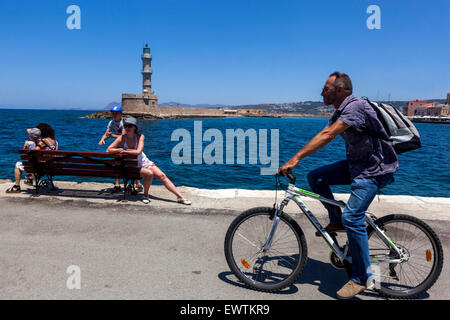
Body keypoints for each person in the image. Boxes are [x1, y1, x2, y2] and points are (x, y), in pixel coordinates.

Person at [278, 72, 398, 299]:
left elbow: (328, 134)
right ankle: (336, 221)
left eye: (326, 89)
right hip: (356, 165)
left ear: (340, 90)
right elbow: (322, 135)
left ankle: (362, 278)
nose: (321, 93)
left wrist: (295, 159)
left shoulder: (356, 107)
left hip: (374, 169)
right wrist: (299, 157)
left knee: (352, 217)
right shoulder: (339, 111)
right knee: (316, 178)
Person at [107, 117, 191, 205]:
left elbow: (138, 152)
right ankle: (145, 195)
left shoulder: (140, 137)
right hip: (132, 166)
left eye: (130, 126)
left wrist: (124, 150)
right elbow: (109, 149)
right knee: (149, 173)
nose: (127, 128)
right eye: (126, 126)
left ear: (134, 127)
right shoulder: (122, 138)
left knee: (162, 176)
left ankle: (180, 197)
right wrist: (120, 150)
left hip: (144, 162)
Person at [98, 105, 142, 193]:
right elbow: (107, 133)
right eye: (113, 113)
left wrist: (112, 136)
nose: (114, 115)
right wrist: (102, 139)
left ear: (121, 114)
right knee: (117, 165)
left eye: (116, 113)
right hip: (119, 147)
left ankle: (138, 183)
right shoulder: (111, 123)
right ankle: (117, 184)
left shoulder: (124, 124)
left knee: (131, 164)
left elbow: (123, 137)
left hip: (125, 146)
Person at [6, 128, 41, 193]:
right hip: (42, 166)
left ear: (30, 136)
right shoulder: (41, 142)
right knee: (34, 162)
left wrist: (26, 143)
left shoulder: (29, 143)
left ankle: (17, 186)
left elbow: (23, 150)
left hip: (32, 166)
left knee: (17, 164)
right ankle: (30, 179)